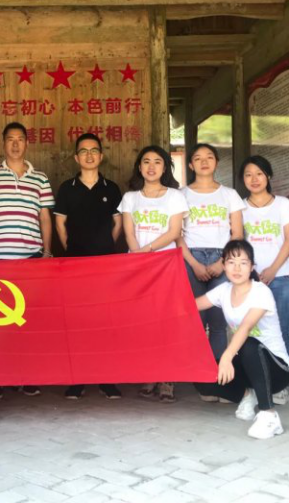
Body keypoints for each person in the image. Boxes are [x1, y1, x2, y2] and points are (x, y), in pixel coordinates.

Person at [0, 122, 54, 399]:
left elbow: (45, 217)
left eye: (20, 139)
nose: (15, 144)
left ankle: (27, 375)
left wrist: (46, 252)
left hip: (31, 257)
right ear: (3, 144)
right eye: (10, 139)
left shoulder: (40, 179)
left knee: (28, 321)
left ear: (27, 144)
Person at [194, 240, 289, 440]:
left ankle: (269, 415)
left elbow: (246, 327)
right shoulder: (223, 291)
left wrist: (226, 357)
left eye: (243, 263)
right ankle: (249, 395)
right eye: (231, 262)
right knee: (203, 376)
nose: (237, 268)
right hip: (249, 366)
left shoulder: (261, 291)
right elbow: (190, 306)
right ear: (223, 265)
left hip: (277, 370)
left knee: (249, 344)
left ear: (252, 267)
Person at [55, 133, 124, 401]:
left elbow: (118, 224)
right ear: (76, 157)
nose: (89, 155)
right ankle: (77, 379)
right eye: (83, 151)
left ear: (101, 156)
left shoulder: (111, 188)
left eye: (94, 150)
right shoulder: (67, 188)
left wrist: (104, 247)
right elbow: (60, 224)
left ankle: (107, 379)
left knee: (104, 323)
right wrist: (72, 249)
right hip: (74, 265)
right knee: (77, 323)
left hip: (105, 265)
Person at [118, 145, 189, 403]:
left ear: (165, 167)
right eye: (146, 161)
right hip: (138, 267)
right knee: (144, 323)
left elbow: (174, 232)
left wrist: (145, 252)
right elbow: (128, 232)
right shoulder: (130, 198)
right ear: (139, 167)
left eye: (157, 162)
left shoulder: (175, 196)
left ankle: (168, 377)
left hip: (165, 265)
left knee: (167, 322)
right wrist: (139, 257)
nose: (151, 166)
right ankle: (150, 373)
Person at [178, 143, 245, 391]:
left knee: (218, 322)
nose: (204, 162)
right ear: (190, 165)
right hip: (191, 257)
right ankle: (200, 380)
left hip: (222, 257)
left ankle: (217, 379)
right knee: (196, 321)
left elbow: (237, 234)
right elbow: (177, 236)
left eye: (209, 157)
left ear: (216, 162)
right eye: (198, 158)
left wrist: (222, 263)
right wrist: (194, 264)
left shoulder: (230, 194)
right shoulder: (181, 195)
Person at [240, 155, 289, 405]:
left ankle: (282, 384)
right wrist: (252, 271)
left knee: (282, 329)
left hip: (280, 277)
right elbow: (238, 242)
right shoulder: (240, 208)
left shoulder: (284, 205)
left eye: (259, 173)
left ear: (268, 176)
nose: (254, 179)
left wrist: (272, 270)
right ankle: (256, 381)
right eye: (248, 175)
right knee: (251, 329)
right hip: (250, 279)